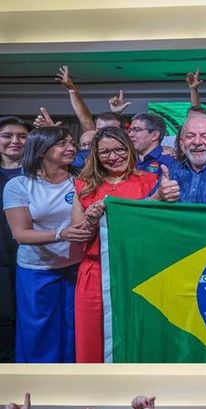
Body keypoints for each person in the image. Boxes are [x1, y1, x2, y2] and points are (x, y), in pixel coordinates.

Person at [3, 126, 93, 362]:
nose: (71, 148)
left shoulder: (81, 180)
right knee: (39, 336)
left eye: (72, 143)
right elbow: (21, 234)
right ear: (42, 150)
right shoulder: (19, 185)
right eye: (62, 144)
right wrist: (62, 234)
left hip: (76, 269)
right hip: (37, 272)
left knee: (74, 332)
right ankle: (37, 390)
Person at [71, 126, 157, 362]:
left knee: (134, 334)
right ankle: (92, 395)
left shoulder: (150, 181)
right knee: (91, 336)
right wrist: (91, 218)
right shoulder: (84, 185)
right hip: (95, 271)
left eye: (119, 149)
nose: (113, 157)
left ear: (129, 149)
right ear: (95, 156)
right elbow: (78, 236)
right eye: (105, 152)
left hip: (135, 271)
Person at [0, 116, 28, 363]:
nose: (15, 141)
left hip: (32, 258)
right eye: (7, 136)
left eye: (21, 136)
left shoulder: (38, 174)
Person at [126, 113, 177, 177]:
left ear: (155, 135)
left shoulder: (169, 162)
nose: (130, 134)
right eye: (130, 130)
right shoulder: (126, 160)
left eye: (137, 130)